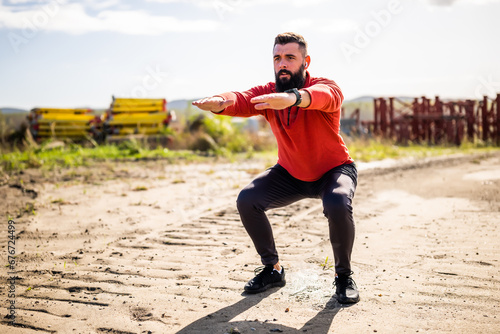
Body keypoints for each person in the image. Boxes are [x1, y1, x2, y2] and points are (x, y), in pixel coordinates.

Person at [192, 32, 359, 304]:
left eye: (290, 58)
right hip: (291, 174)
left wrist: (294, 98)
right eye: (277, 58)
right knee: (248, 200)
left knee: (338, 203)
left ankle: (343, 277)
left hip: (334, 171)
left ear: (305, 61)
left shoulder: (324, 85)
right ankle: (273, 269)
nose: (282, 63)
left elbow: (326, 97)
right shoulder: (269, 94)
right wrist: (219, 101)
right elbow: (241, 98)